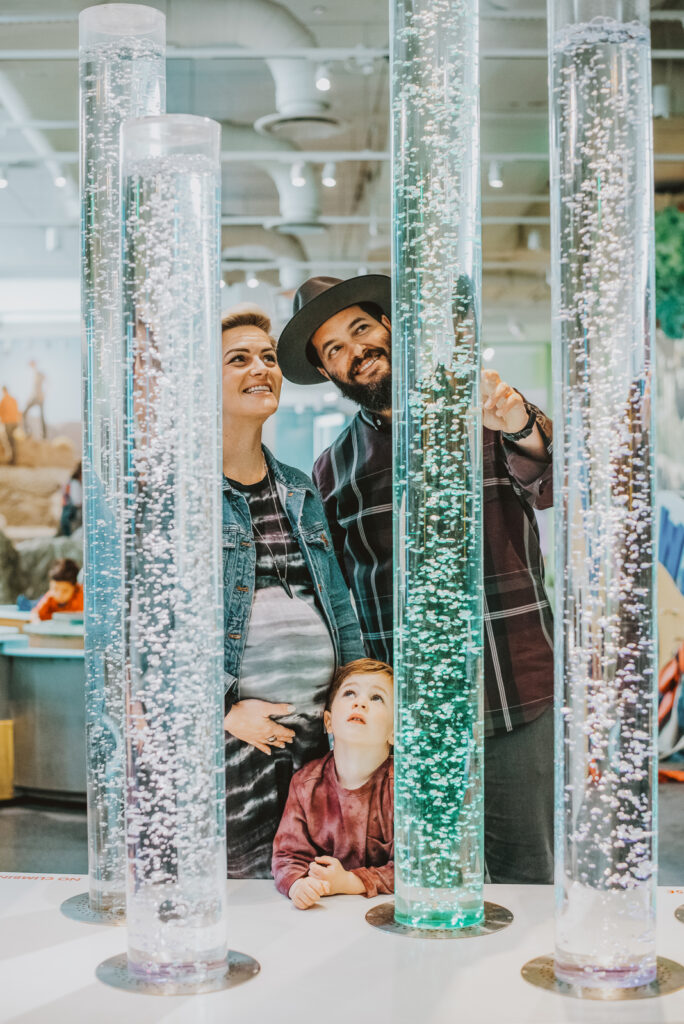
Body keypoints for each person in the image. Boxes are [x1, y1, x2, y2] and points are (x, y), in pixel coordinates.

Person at [277, 275, 555, 885]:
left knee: (526, 875)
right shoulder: (332, 468)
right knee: (428, 876)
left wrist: (520, 421)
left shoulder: (480, 412)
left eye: (361, 329)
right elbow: (338, 594)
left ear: (390, 329)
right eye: (334, 349)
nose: (355, 350)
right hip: (412, 716)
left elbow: (547, 478)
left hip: (512, 684)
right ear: (328, 374)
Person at [220, 304, 365, 878]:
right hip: (239, 750)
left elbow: (338, 607)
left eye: (269, 356)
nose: (261, 367)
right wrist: (222, 714)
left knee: (311, 889)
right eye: (239, 359)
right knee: (245, 893)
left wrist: (356, 699)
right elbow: (152, 633)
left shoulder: (299, 487)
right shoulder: (183, 494)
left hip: (316, 748)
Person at [272, 657, 394, 909]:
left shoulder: (405, 786)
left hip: (389, 915)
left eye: (377, 698)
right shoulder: (305, 785)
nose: (360, 702)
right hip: (326, 918)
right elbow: (287, 856)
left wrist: (350, 882)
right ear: (328, 722)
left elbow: (419, 866)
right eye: (350, 693)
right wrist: (297, 885)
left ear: (396, 732)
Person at [31, 558, 83, 622]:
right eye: (55, 589)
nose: (59, 594)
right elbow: (35, 613)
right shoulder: (50, 597)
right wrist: (36, 621)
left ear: (75, 588)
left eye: (65, 591)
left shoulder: (81, 597)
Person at [58, 461, 83, 537]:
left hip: (69, 514)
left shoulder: (71, 481)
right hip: (71, 516)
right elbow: (77, 501)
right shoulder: (75, 483)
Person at [23, 359, 46, 439]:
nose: (31, 366)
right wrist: (29, 399)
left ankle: (44, 436)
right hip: (35, 398)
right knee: (24, 414)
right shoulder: (34, 374)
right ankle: (28, 432)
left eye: (32, 364)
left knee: (42, 416)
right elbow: (34, 389)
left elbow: (47, 383)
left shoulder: (39, 373)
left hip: (39, 398)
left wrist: (43, 395)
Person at [0, 385, 21, 464]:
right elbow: (17, 411)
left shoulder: (3, 400)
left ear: (3, 391)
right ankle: (14, 460)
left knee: (9, 441)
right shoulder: (13, 399)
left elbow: (0, 412)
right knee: (13, 441)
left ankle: (12, 460)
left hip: (8, 423)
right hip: (14, 422)